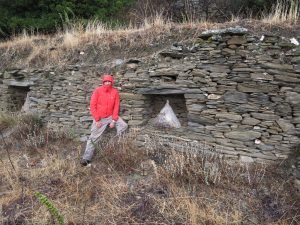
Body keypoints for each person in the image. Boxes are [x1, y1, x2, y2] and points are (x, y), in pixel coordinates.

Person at [81, 74, 128, 166]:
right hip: (100, 118)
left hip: (111, 116)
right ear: (103, 82)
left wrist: (114, 120)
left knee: (123, 126)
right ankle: (86, 158)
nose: (107, 83)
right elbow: (92, 106)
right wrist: (97, 120)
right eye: (106, 81)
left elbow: (116, 106)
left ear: (111, 82)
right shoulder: (97, 91)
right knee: (94, 138)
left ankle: (114, 143)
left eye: (109, 81)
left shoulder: (115, 92)